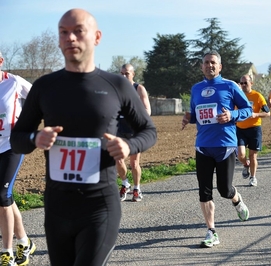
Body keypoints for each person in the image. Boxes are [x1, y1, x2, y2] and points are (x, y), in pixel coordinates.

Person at [9, 9, 157, 266]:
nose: (70, 38)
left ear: (97, 37)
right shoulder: (45, 87)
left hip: (99, 206)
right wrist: (35, 138)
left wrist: (128, 144)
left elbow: (149, 130)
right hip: (57, 207)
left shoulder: (117, 85)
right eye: (64, 32)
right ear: (58, 40)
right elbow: (16, 138)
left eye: (78, 31)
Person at [181, 50, 251, 248]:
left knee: (224, 189)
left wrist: (232, 116)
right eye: (206, 63)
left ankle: (236, 199)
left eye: (213, 62)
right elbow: (197, 114)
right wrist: (189, 118)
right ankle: (211, 231)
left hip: (225, 146)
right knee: (204, 192)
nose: (209, 65)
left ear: (220, 67)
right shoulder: (196, 89)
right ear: (202, 67)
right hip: (203, 146)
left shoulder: (230, 86)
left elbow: (247, 109)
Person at [0, 52, 36, 266]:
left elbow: (39, 100)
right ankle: (24, 241)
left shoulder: (14, 82)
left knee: (2, 195)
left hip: (12, 146)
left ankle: (7, 253)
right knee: (5, 197)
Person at [117, 63, 151, 202]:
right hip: (119, 129)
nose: (124, 76)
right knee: (118, 160)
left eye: (127, 73)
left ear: (133, 74)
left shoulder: (139, 89)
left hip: (134, 130)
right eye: (122, 73)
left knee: (134, 162)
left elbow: (147, 110)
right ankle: (125, 183)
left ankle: (137, 188)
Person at [236, 74, 269, 187]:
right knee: (240, 154)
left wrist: (256, 114)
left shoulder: (257, 96)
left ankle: (253, 177)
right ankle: (246, 164)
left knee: (252, 155)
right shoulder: (237, 96)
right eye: (241, 83)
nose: (243, 85)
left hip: (254, 129)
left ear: (251, 83)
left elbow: (267, 113)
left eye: (246, 83)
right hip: (240, 129)